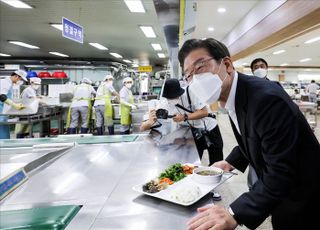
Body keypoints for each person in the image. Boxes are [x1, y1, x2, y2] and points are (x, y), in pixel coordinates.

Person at [178, 38, 320, 230]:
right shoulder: (233, 96)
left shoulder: (265, 99)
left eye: (200, 67)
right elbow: (253, 135)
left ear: (226, 64)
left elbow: (281, 171)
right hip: (282, 193)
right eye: (189, 75)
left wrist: (232, 213)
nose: (195, 80)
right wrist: (230, 161)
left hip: (303, 195)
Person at [140, 78, 223, 166]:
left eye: (174, 97)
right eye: (169, 97)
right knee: (195, 161)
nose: (171, 99)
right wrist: (149, 122)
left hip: (210, 128)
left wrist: (184, 117)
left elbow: (204, 112)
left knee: (216, 161)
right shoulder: (164, 104)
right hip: (195, 131)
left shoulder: (191, 93)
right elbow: (142, 128)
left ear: (179, 93)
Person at [0, 70, 27, 139]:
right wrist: (14, 105)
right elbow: (2, 96)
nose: (20, 81)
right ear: (16, 76)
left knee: (4, 132)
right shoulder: (5, 82)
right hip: (0, 112)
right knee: (2, 135)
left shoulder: (9, 83)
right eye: (20, 79)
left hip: (3, 113)